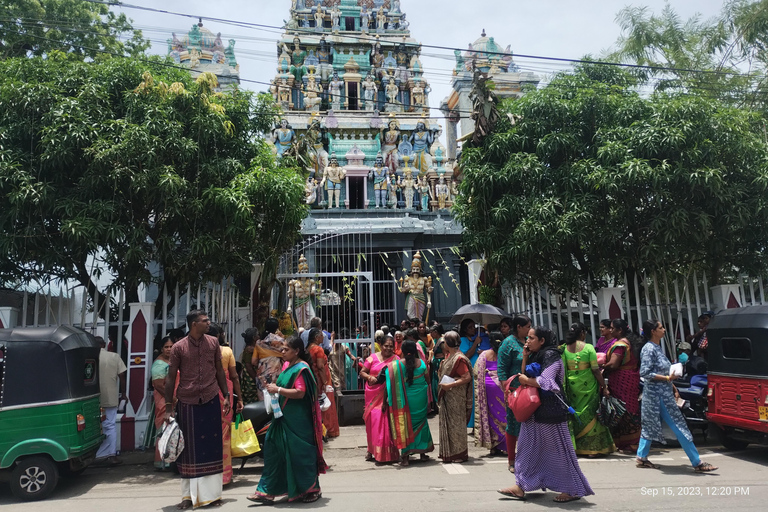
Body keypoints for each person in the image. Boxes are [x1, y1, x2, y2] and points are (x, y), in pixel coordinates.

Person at [498, 327, 594, 503]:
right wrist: (525, 357)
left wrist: (527, 380)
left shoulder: (552, 355)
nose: (527, 341)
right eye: (527, 338)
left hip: (551, 411)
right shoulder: (535, 354)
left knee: (558, 452)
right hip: (533, 411)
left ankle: (573, 489)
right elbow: (524, 374)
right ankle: (521, 486)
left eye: (532, 338)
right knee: (526, 448)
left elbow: (546, 381)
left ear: (542, 341)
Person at [165, 310, 235, 510]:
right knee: (188, 451)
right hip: (187, 401)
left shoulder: (213, 343)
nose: (209, 323)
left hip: (211, 398)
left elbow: (219, 370)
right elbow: (170, 377)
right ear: (194, 324)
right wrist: (169, 407)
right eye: (205, 321)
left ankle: (212, 496)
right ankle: (187, 497)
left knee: (212, 448)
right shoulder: (179, 347)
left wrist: (227, 396)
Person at [247, 336, 327, 504]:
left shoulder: (301, 368)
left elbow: (300, 392)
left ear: (296, 351)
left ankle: (311, 489)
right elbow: (282, 387)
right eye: (282, 349)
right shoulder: (286, 366)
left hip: (298, 420)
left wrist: (279, 389)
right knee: (273, 451)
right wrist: (272, 388)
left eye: (286, 349)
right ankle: (266, 492)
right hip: (281, 417)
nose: (282, 352)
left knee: (300, 455)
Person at [636, 320, 718, 473]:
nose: (664, 330)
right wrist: (667, 379)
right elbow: (645, 373)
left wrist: (672, 386)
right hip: (658, 396)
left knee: (650, 425)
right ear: (653, 331)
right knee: (679, 427)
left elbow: (664, 371)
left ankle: (641, 457)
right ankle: (697, 462)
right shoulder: (649, 349)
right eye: (661, 327)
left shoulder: (656, 348)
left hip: (662, 393)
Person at [561, 323, 615, 457]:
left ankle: (576, 447)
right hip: (588, 387)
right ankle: (592, 448)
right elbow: (595, 370)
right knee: (591, 416)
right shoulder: (589, 347)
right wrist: (604, 386)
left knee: (575, 415)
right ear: (582, 334)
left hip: (572, 387)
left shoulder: (564, 349)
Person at [384, 339, 434, 466]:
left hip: (404, 401)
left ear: (402, 351)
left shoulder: (396, 365)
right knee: (422, 423)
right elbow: (428, 381)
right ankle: (422, 453)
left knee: (405, 424)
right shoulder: (422, 364)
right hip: (420, 399)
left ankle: (405, 457)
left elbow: (388, 384)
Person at [209, 324, 243, 486]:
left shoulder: (199, 352)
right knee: (224, 435)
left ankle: (208, 474)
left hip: (205, 396)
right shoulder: (226, 352)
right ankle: (224, 476)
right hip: (224, 397)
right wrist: (240, 399)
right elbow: (235, 377)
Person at [497, 315, 530, 473]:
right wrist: (506, 389)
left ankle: (528, 458)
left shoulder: (530, 341)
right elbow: (502, 368)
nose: (529, 329)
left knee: (529, 425)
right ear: (519, 327)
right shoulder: (508, 343)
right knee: (513, 424)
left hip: (530, 388)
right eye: (527, 326)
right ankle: (511, 460)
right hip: (514, 390)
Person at [603, 319, 641, 454]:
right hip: (629, 379)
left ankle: (630, 443)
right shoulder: (628, 342)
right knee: (628, 407)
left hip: (622, 381)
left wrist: (600, 366)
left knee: (623, 409)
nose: (610, 330)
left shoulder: (620, 345)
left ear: (620, 330)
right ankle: (627, 442)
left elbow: (613, 364)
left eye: (612, 328)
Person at [359, 336, 400, 463]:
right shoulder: (372, 358)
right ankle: (371, 450)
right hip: (373, 394)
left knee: (387, 421)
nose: (388, 348)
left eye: (391, 346)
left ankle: (388, 453)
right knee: (373, 422)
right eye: (386, 346)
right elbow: (362, 372)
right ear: (381, 345)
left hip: (389, 395)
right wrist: (369, 378)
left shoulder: (396, 359)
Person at [438, 331, 473, 463]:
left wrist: (451, 384)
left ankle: (459, 454)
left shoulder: (459, 359)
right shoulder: (450, 356)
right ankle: (450, 453)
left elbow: (466, 377)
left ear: (448, 343)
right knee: (450, 425)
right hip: (449, 396)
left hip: (456, 397)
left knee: (456, 425)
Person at [96, 336, 126, 466]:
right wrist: (124, 394)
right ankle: (111, 454)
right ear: (104, 344)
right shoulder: (114, 357)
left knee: (95, 427)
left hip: (92, 398)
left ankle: (98, 454)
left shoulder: (88, 358)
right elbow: (122, 376)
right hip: (110, 397)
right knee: (110, 425)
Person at [474, 332, 507, 456]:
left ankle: (493, 446)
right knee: (504, 414)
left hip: (487, 386)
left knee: (490, 414)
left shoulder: (484, 354)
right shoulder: (505, 354)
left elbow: (476, 371)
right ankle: (504, 445)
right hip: (502, 386)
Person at [307, 328, 340, 438]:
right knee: (326, 404)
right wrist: (325, 382)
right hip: (321, 379)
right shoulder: (318, 349)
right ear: (316, 337)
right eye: (321, 335)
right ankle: (328, 429)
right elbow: (320, 366)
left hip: (313, 378)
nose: (323, 337)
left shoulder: (308, 348)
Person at [459, 319, 490, 428]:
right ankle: (472, 423)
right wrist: (475, 344)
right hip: (470, 370)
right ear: (465, 329)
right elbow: (466, 356)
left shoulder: (478, 337)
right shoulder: (463, 340)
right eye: (470, 327)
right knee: (473, 396)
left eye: (474, 327)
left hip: (481, 370)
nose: (474, 329)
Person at [151, 337, 174, 469]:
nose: (169, 349)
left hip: (170, 399)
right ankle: (161, 462)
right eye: (166, 347)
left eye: (171, 346)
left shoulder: (171, 361)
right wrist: (172, 399)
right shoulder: (159, 364)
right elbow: (159, 385)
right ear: (161, 349)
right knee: (163, 430)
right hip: (163, 400)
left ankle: (170, 461)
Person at [252, 318, 284, 401]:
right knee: (276, 397)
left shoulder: (259, 342)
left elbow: (254, 361)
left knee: (263, 399)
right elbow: (286, 356)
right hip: (276, 373)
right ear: (277, 328)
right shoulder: (280, 341)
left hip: (262, 374)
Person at [239, 328, 260, 404]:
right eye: (257, 335)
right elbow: (248, 366)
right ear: (254, 338)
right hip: (250, 378)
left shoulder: (252, 348)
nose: (259, 337)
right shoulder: (250, 349)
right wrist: (256, 378)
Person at [429, 324, 446, 410]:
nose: (430, 334)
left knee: (438, 384)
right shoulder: (436, 340)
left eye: (431, 332)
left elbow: (445, 354)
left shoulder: (442, 341)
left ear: (436, 332)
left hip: (440, 364)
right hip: (435, 364)